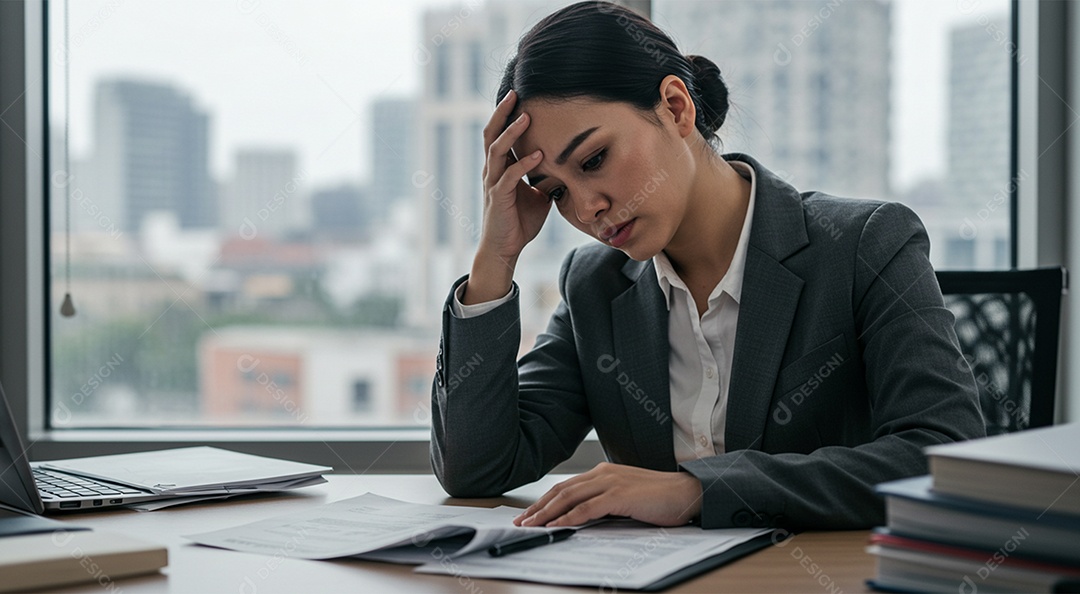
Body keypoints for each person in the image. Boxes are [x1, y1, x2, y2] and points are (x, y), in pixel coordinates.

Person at [429, 0, 985, 531]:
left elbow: (943, 453)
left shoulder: (865, 246)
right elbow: (477, 470)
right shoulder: (593, 286)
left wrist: (698, 491)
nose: (586, 208)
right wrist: (495, 258)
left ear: (676, 107)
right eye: (555, 192)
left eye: (594, 159)